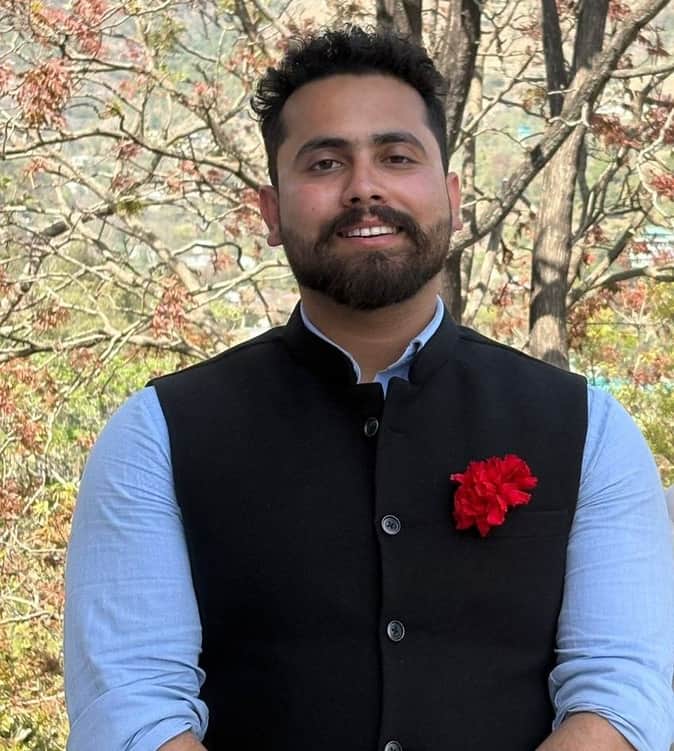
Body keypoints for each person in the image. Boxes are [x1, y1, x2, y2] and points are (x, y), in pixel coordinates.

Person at [64, 26, 674, 751]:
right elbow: (131, 706)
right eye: (325, 162)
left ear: (451, 196)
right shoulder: (159, 434)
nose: (364, 187)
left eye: (397, 157)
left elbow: (623, 692)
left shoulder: (587, 429)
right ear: (270, 211)